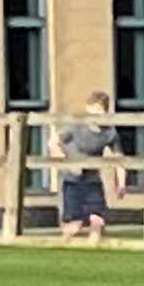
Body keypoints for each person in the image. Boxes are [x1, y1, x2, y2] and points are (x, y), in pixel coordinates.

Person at [55, 92, 115, 241]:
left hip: (93, 181)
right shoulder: (75, 126)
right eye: (90, 112)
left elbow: (119, 156)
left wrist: (121, 182)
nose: (92, 117)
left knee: (97, 220)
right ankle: (64, 244)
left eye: (97, 113)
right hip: (72, 180)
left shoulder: (109, 132)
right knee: (74, 225)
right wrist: (67, 163)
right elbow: (54, 142)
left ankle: (96, 249)